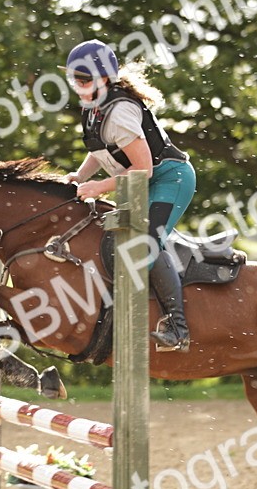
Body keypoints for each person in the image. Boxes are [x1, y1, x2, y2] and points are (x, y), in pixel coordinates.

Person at [62, 39, 196, 351]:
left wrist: (97, 187)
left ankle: (178, 329)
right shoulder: (94, 106)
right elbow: (100, 151)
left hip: (169, 179)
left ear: (104, 79)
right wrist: (80, 176)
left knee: (142, 246)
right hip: (139, 182)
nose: (77, 85)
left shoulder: (119, 111)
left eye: (83, 79)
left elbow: (143, 168)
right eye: (74, 79)